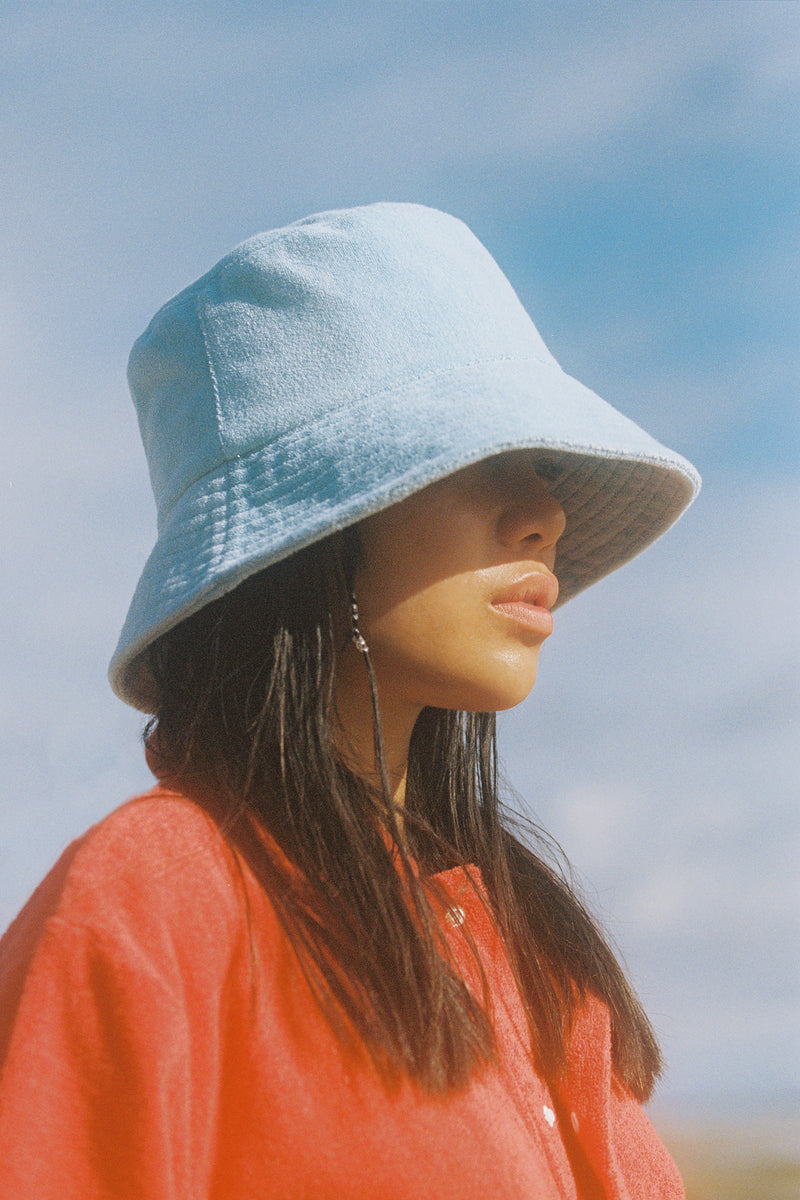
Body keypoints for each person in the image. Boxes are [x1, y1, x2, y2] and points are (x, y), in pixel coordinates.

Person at [0, 203, 699, 1198]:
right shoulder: (154, 898)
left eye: (544, 468)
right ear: (313, 531)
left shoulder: (532, 945)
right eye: (477, 456)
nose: (542, 512)